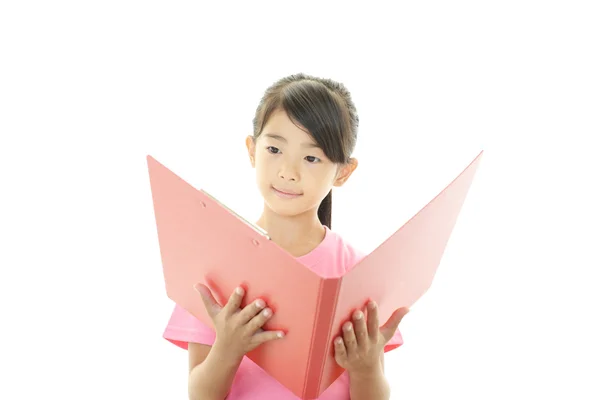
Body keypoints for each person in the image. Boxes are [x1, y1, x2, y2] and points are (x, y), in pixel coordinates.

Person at [162, 73, 410, 399]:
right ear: (252, 150)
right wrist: (228, 348)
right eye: (275, 149)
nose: (288, 171)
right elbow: (200, 396)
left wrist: (365, 369)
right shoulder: (215, 265)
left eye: (311, 158)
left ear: (343, 172)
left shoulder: (360, 273)